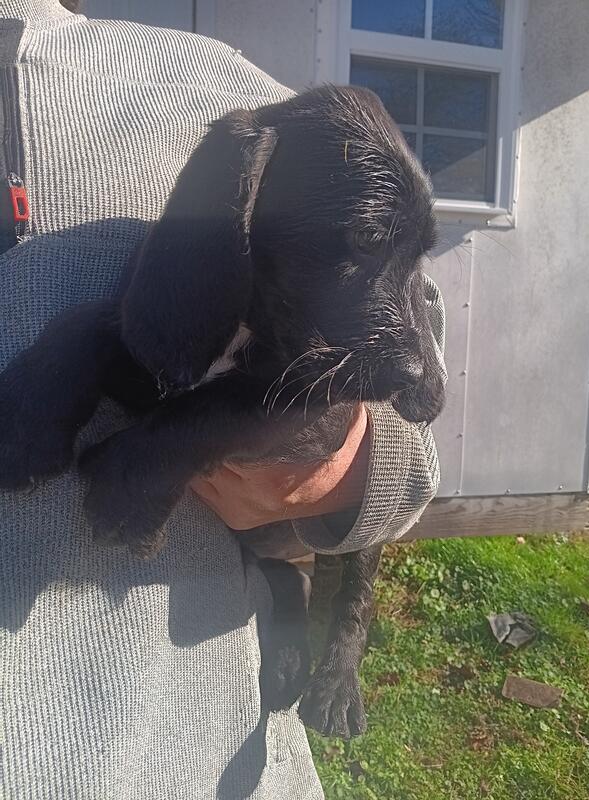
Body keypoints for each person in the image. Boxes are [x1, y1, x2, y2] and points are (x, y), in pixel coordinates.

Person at [0, 1, 445, 798]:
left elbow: (403, 432)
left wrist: (361, 467)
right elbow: (155, 332)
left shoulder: (225, 86)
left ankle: (327, 626)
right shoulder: (238, 172)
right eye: (367, 239)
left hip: (203, 749)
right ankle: (286, 593)